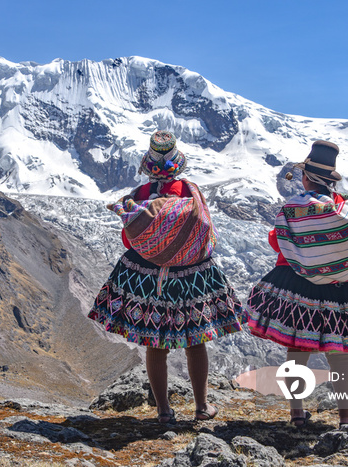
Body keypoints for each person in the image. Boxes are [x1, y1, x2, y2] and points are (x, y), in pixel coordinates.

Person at [245, 140, 348, 427]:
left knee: (297, 349)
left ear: (305, 177)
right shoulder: (346, 209)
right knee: (339, 353)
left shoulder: (291, 209)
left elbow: (277, 241)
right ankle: (346, 417)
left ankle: (297, 413)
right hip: (340, 288)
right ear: (331, 179)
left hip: (296, 288)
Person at [88, 130, 243, 424]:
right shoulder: (190, 192)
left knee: (155, 343)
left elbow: (127, 239)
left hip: (145, 274)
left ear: (149, 166)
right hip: (191, 275)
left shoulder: (138, 198)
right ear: (177, 165)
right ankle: (201, 407)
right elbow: (206, 232)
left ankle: (163, 411)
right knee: (195, 341)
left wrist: (154, 243)